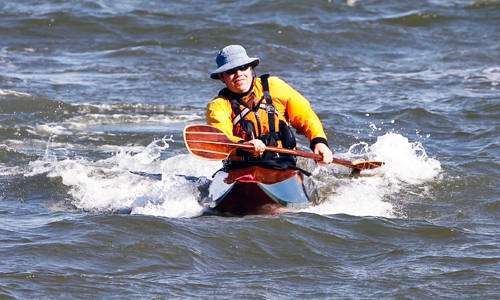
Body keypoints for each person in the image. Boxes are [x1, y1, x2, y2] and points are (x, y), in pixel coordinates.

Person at [206, 45, 333, 170]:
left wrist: (319, 141)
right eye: (231, 71)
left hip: (283, 164)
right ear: (222, 77)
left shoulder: (274, 86)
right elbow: (221, 138)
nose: (239, 74)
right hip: (240, 168)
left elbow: (306, 116)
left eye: (243, 67)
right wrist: (243, 144)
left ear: (251, 68)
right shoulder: (218, 105)